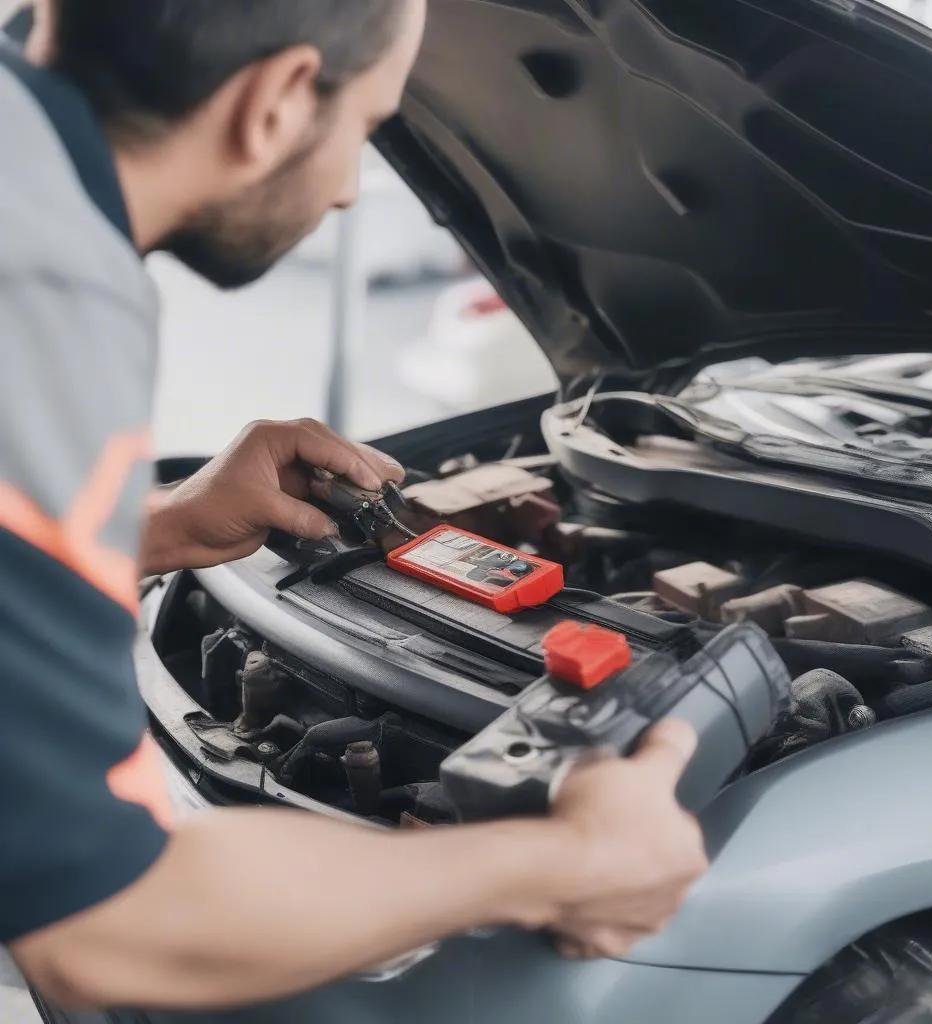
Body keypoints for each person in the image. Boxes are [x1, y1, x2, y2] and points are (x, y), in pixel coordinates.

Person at [0, 0, 709, 1011]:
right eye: (367, 128)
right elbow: (111, 928)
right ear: (280, 100)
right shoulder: (44, 289)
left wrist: (159, 527)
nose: (344, 197)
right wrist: (564, 858)